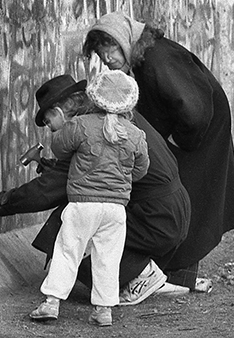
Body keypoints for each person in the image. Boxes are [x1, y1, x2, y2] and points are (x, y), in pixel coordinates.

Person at [0, 74, 191, 308]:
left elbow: (45, 193)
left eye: (47, 118)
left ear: (60, 109)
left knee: (66, 224)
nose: (48, 127)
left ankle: (141, 275)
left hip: (154, 218)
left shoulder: (84, 129)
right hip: (175, 210)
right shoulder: (119, 116)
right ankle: (151, 274)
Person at [83, 12, 234, 290]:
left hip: (198, 135)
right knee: (187, 202)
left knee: (185, 199)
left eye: (110, 47)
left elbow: (192, 109)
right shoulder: (146, 57)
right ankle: (178, 276)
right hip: (197, 133)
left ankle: (172, 274)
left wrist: (175, 142)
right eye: (101, 52)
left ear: (124, 39)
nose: (107, 57)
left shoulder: (156, 59)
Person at [29, 70, 149, 326]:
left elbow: (59, 148)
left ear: (93, 99)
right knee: (108, 257)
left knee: (67, 251)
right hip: (116, 209)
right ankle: (104, 310)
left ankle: (51, 302)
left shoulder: (81, 125)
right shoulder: (136, 135)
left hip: (83, 204)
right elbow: (141, 170)